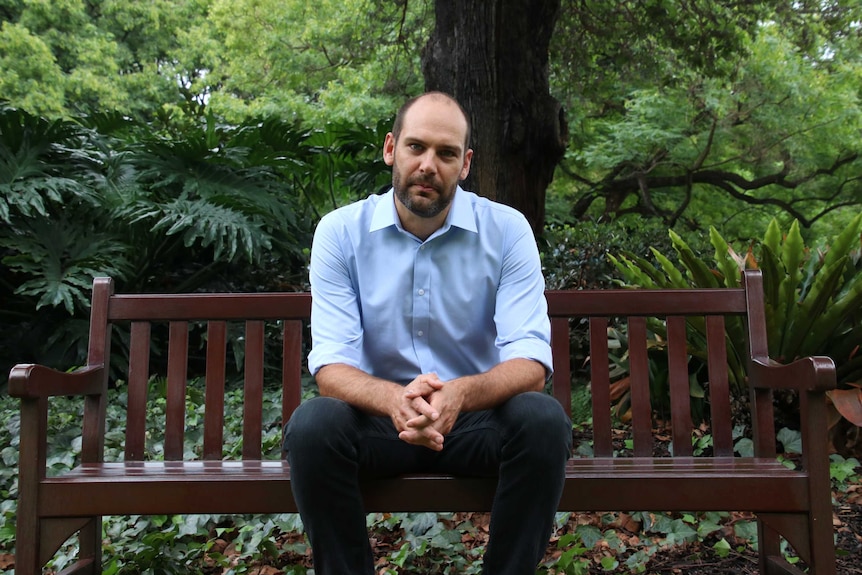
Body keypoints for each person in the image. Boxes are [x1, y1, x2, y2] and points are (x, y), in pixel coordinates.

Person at [283, 91, 572, 575]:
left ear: (465, 164)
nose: (428, 165)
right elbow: (331, 368)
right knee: (313, 426)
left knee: (542, 420)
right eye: (416, 147)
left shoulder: (507, 230)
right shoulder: (340, 232)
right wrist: (397, 400)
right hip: (378, 425)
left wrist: (459, 394)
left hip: (472, 424)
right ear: (391, 148)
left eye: (446, 153)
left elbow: (530, 361)